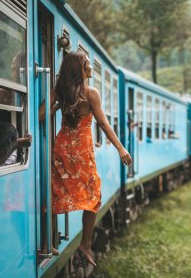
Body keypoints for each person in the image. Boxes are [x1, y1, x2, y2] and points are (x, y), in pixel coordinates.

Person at [47, 51, 131, 267]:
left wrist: (56, 106)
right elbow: (103, 124)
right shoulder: (91, 93)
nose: (90, 68)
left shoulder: (60, 91)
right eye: (87, 64)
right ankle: (85, 243)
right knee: (93, 197)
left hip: (63, 148)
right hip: (83, 152)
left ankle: (51, 240)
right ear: (80, 69)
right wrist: (121, 148)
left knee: (58, 193)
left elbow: (39, 114)